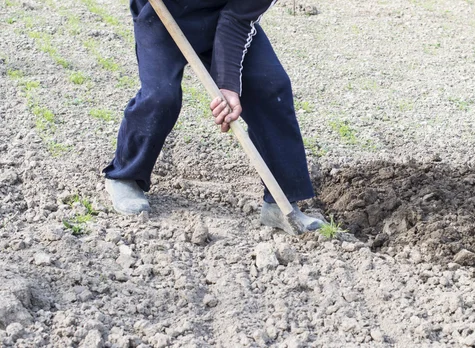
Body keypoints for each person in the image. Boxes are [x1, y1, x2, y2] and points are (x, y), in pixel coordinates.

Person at [102, 0, 324, 232]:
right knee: (161, 96)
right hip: (163, 12)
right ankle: (124, 175)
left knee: (270, 87)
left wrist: (228, 83)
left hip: (224, 14)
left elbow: (237, 18)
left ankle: (281, 202)